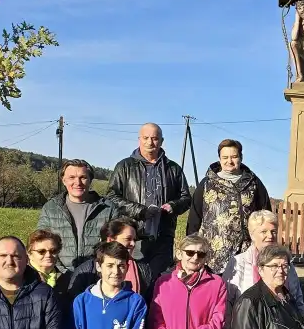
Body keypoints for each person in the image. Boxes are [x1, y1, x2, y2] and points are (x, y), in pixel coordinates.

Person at [107, 123, 192, 279]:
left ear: (161, 141)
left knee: (159, 282)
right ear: (139, 139)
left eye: (154, 138)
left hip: (163, 237)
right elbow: (112, 196)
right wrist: (140, 211)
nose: (150, 143)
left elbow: (186, 198)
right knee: (132, 279)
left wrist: (173, 206)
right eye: (145, 138)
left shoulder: (173, 169)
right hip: (134, 236)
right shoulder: (125, 166)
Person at [186, 139, 272, 274]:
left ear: (241, 158)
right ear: (219, 159)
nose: (229, 161)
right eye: (225, 157)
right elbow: (194, 218)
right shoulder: (207, 183)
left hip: (245, 254)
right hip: (213, 255)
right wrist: (191, 247)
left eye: (234, 157)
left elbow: (266, 215)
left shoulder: (253, 183)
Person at [35, 159, 117, 271]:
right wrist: (61, 273)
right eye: (71, 177)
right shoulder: (51, 208)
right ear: (63, 180)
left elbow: (115, 246)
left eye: (83, 177)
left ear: (90, 180)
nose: (77, 182)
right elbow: (41, 243)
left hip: (97, 276)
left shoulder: (108, 208)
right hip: (60, 277)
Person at [223, 209, 304, 315]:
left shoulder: (286, 263)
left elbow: (297, 298)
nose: (270, 236)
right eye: (264, 232)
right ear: (252, 235)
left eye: (273, 231)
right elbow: (227, 302)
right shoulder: (238, 263)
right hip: (249, 324)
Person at [69, 217, 154, 299]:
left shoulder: (144, 270)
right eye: (128, 239)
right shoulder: (86, 270)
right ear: (110, 240)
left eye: (134, 240)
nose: (133, 244)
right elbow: (75, 304)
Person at [28, 229, 72, 299]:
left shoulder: (66, 279)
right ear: (29, 254)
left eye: (53, 251)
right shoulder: (22, 278)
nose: (48, 255)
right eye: (41, 251)